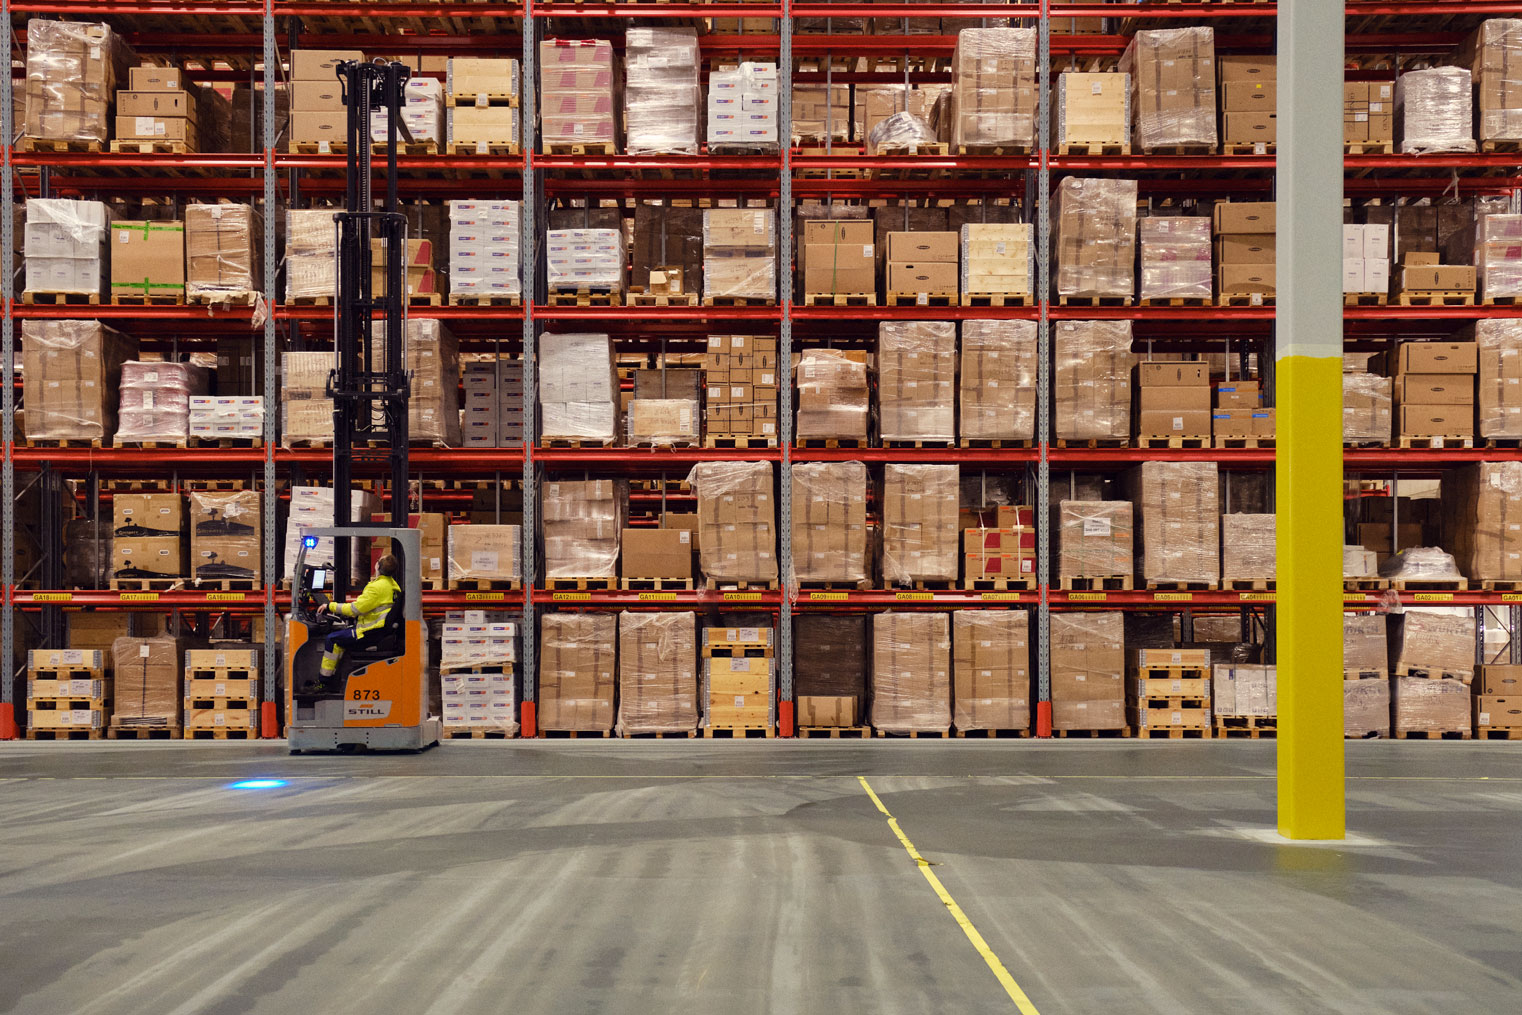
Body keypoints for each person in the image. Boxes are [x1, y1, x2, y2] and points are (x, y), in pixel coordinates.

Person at [316, 553, 400, 682]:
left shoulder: (377, 587)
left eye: (378, 561)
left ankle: (324, 681)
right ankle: (336, 678)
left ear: (378, 567)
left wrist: (329, 606)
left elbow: (354, 610)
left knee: (332, 639)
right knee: (341, 638)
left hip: (369, 633)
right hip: (378, 631)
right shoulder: (393, 585)